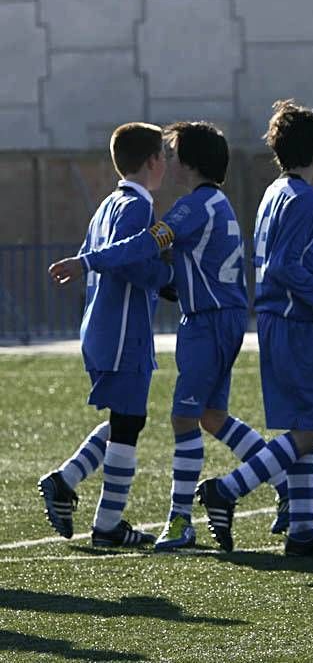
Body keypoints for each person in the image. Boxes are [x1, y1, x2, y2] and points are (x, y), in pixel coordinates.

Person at [49, 121, 290, 552]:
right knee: (209, 417)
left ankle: (180, 521)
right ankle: (283, 480)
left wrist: (85, 263)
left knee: (180, 418)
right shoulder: (213, 202)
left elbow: (143, 246)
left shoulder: (191, 207)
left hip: (208, 320)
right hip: (221, 317)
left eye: (176, 153)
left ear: (191, 163)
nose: (170, 161)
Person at [196, 99, 313, 556]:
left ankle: (303, 532)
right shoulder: (304, 197)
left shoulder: (274, 191)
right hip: (294, 321)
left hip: (278, 319)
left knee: (301, 429)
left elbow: (293, 259)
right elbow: (285, 267)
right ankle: (229, 490)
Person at [40, 122, 173, 548]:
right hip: (120, 330)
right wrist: (167, 276)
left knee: (124, 417)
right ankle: (107, 524)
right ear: (153, 161)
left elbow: (103, 256)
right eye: (164, 156)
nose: (167, 163)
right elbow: (128, 262)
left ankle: (67, 481)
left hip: (104, 327)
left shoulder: (107, 204)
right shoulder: (136, 206)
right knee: (130, 421)